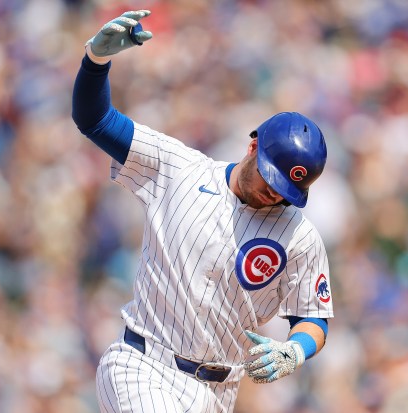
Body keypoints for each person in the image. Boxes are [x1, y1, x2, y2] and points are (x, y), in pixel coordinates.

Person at [71, 10, 334, 413]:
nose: (273, 195)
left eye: (285, 191)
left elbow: (313, 318)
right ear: (252, 147)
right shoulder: (178, 168)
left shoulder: (298, 236)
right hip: (142, 365)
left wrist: (294, 351)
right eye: (269, 180)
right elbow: (95, 120)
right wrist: (95, 62)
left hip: (216, 393)